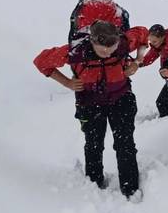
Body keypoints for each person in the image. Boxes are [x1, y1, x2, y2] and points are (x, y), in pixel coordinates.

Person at [34, 20, 147, 199]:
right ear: (92, 41)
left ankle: (130, 188)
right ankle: (94, 183)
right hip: (90, 103)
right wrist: (67, 82)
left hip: (121, 99)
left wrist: (137, 62)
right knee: (94, 144)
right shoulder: (76, 52)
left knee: (125, 144)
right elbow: (41, 61)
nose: (108, 53)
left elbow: (143, 33)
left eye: (112, 49)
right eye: (103, 50)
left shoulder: (124, 43)